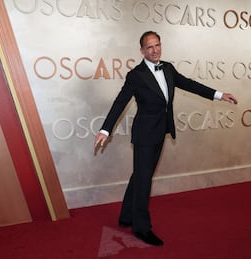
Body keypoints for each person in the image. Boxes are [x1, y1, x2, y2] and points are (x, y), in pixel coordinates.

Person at [94, 31, 238, 246]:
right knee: (144, 179)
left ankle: (126, 216)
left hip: (161, 130)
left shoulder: (168, 68)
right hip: (144, 134)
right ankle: (141, 228)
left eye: (157, 45)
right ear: (142, 51)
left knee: (142, 174)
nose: (155, 50)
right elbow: (120, 102)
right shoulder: (136, 75)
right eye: (149, 47)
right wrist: (105, 130)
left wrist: (218, 94)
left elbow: (189, 84)